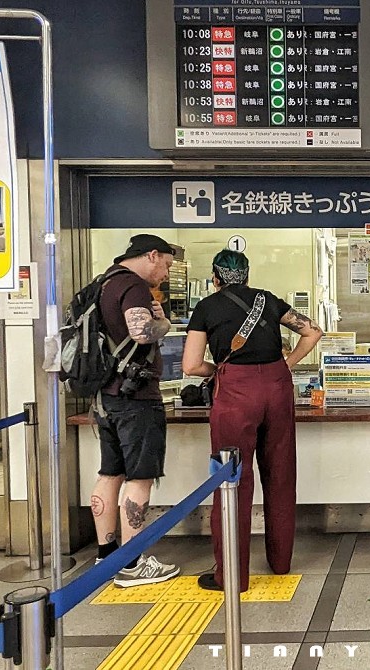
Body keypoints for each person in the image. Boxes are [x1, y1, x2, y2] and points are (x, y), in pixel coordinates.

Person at [182, 249, 323, 591]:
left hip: (235, 394)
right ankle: (280, 563)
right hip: (276, 388)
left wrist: (219, 371)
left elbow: (190, 365)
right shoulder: (268, 300)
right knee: (280, 474)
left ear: (215, 279)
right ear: (247, 275)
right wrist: (284, 366)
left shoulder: (206, 307)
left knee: (232, 482)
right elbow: (314, 332)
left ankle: (231, 575)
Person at [90, 233, 181, 588]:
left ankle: (106, 554)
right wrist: (165, 325)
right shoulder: (133, 285)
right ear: (152, 255)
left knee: (110, 472)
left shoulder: (103, 283)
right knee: (139, 477)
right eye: (167, 265)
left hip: (106, 396)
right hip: (135, 397)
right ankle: (133, 562)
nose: (167, 274)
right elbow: (142, 332)